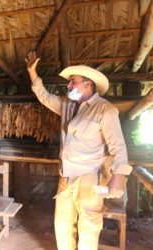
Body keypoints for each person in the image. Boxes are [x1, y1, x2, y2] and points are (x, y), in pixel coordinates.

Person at [25, 51, 132, 250]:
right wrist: (33, 74)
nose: (68, 85)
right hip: (65, 177)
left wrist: (118, 177)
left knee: (88, 229)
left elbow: (118, 146)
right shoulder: (66, 105)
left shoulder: (105, 110)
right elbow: (44, 96)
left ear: (87, 84)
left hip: (90, 178)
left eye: (73, 81)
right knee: (62, 226)